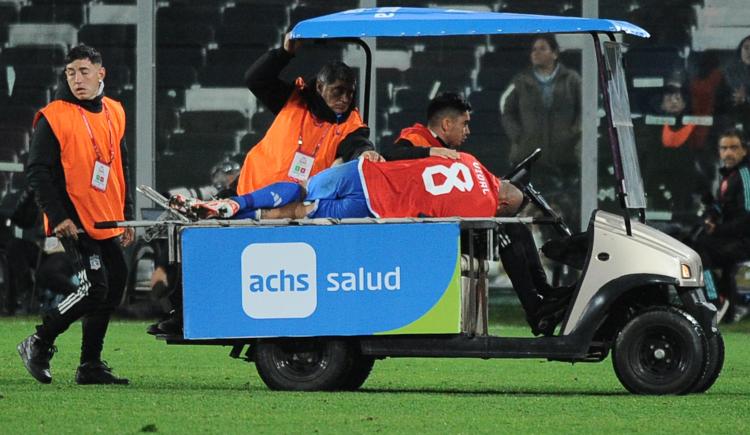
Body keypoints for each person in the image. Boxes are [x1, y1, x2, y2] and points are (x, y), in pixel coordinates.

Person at [177, 153, 571, 335]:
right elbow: (460, 233)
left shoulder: (470, 160)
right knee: (300, 212)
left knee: (300, 191)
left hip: (367, 172)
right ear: (501, 201)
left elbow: (427, 154)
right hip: (378, 208)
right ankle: (539, 304)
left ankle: (235, 203)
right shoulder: (485, 206)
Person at [16, 45, 134, 385]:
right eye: (71, 73)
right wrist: (58, 217)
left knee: (115, 283)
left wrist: (124, 214)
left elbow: (119, 166)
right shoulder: (54, 116)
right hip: (75, 220)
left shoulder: (114, 111)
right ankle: (39, 341)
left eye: (83, 71)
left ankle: (90, 366)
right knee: (94, 289)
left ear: (101, 72)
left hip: (107, 218)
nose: (77, 79)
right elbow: (37, 171)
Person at [236, 32, 382, 195]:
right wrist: (284, 54)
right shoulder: (293, 98)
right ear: (320, 87)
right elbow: (255, 79)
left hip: (297, 208)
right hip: (251, 191)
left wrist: (365, 152)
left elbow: (357, 144)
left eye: (350, 93)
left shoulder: (351, 124)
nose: (345, 99)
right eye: (338, 91)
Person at [501, 35, 581, 226]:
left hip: (565, 157)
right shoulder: (520, 81)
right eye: (534, 49)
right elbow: (506, 110)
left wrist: (573, 134)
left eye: (542, 48)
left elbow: (585, 110)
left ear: (554, 53)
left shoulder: (572, 80)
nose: (536, 53)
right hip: (528, 157)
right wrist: (518, 136)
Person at [691, 128, 750, 322]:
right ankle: (726, 308)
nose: (728, 153)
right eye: (724, 148)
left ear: (744, 150)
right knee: (697, 242)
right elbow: (722, 207)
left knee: (699, 251)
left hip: (744, 241)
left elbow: (747, 217)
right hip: (735, 238)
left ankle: (713, 300)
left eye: (734, 147)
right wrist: (711, 213)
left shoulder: (745, 175)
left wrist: (718, 229)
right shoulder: (729, 176)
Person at [380, 92, 469, 161]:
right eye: (464, 124)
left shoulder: (449, 149)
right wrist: (429, 151)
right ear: (447, 124)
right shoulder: (416, 139)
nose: (467, 131)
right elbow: (388, 155)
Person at [717, 34, 750, 134]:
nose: (749, 52)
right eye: (746, 48)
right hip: (733, 119)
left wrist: (746, 98)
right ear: (740, 50)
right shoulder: (729, 72)